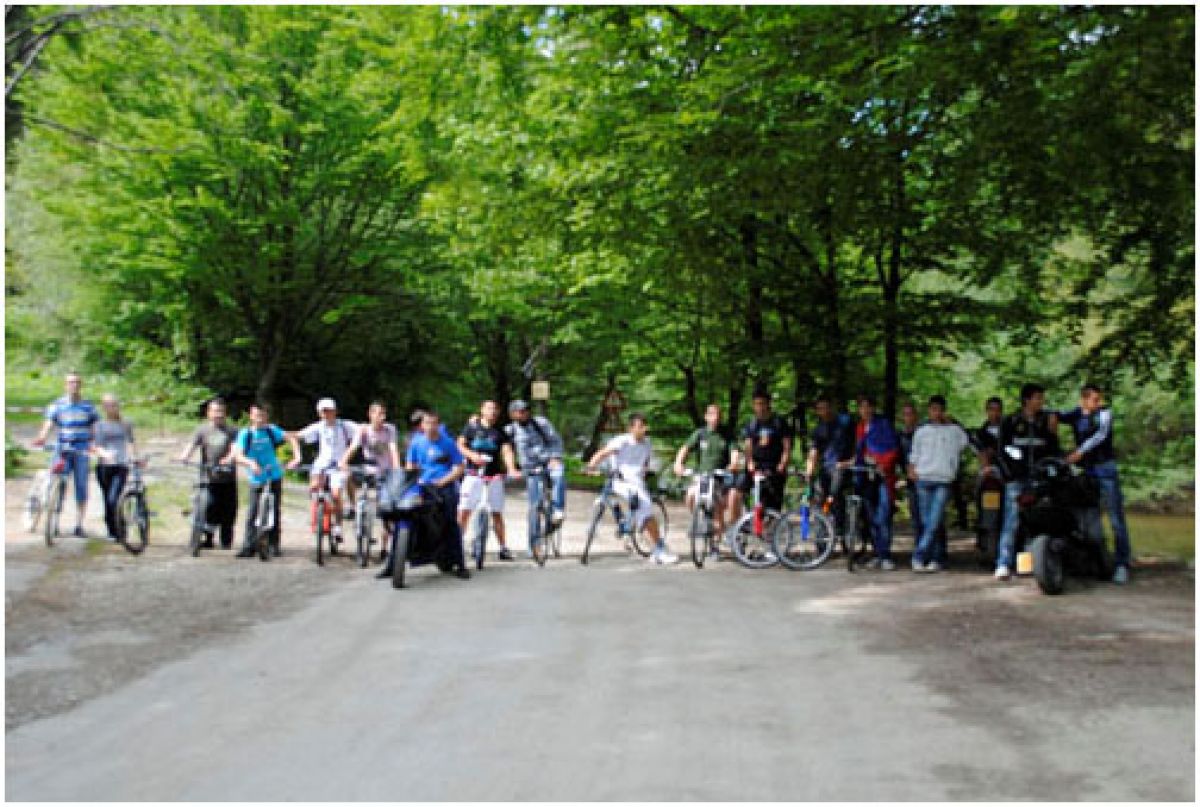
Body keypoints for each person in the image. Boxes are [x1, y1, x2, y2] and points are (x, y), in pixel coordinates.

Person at [1056, 383, 1133, 584]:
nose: (1099, 403)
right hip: (1087, 471)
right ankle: (1093, 560)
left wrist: (1080, 451)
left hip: (1105, 469)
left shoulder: (1104, 414)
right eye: (1094, 400)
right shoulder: (1075, 414)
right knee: (1089, 516)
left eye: (1099, 399)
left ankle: (1122, 563)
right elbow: (1056, 416)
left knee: (1116, 518)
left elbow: (1100, 435)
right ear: (1084, 399)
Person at [587, 412, 677, 564]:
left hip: (637, 483)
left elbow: (646, 461)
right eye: (640, 427)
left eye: (644, 426)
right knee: (643, 507)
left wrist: (645, 471)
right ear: (631, 428)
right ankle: (658, 550)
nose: (644, 429)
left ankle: (656, 550)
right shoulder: (622, 441)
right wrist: (591, 466)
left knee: (644, 510)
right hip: (620, 481)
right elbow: (602, 453)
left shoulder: (647, 443)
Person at [993, 383, 1060, 581]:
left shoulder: (1045, 422)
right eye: (1038, 398)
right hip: (1016, 480)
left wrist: (1054, 434)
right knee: (1012, 520)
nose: (1041, 402)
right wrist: (1009, 476)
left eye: (1042, 398)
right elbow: (1001, 452)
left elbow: (1053, 450)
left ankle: (1029, 564)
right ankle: (1003, 563)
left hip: (1039, 479)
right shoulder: (1010, 422)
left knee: (1036, 520)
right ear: (1027, 400)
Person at [908, 395, 979, 572]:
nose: (936, 413)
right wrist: (912, 470)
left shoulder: (954, 431)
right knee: (928, 522)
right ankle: (936, 558)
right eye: (933, 409)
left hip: (943, 480)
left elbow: (968, 441)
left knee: (933, 521)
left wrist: (955, 422)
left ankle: (919, 555)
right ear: (929, 411)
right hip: (923, 479)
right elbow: (914, 453)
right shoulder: (921, 431)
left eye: (939, 410)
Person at [398, 410, 469, 579]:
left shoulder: (448, 443)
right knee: (405, 517)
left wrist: (443, 481)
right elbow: (410, 465)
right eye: (427, 423)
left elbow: (459, 468)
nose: (430, 427)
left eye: (433, 423)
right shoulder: (417, 443)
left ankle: (460, 564)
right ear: (422, 426)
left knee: (451, 522)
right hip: (422, 486)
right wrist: (413, 482)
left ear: (439, 425)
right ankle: (395, 562)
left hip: (444, 487)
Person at [32, 372, 99, 538]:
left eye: (76, 382)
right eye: (70, 382)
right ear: (65, 385)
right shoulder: (57, 405)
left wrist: (94, 444)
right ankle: (53, 521)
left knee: (81, 486)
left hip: (81, 451)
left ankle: (79, 524)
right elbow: (49, 424)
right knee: (57, 483)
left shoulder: (88, 406)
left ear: (81, 385)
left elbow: (94, 427)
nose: (73, 385)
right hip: (62, 449)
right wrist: (42, 438)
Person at [232, 402, 301, 559]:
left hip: (274, 474)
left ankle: (273, 545)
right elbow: (238, 455)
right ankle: (248, 546)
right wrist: (250, 463)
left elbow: (291, 437)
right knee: (253, 511)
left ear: (266, 416)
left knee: (274, 510)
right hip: (256, 476)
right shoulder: (246, 434)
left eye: (262, 416)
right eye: (256, 415)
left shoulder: (271, 431)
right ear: (251, 416)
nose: (260, 419)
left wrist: (296, 456)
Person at [673, 403, 739, 559]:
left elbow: (735, 452)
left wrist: (733, 464)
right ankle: (699, 517)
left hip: (719, 477)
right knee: (690, 496)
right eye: (711, 414)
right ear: (706, 416)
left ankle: (715, 546)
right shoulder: (700, 433)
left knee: (717, 511)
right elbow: (685, 449)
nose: (714, 417)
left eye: (717, 414)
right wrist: (678, 463)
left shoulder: (727, 434)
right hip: (701, 476)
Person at [289, 398, 357, 547]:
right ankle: (318, 514)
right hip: (322, 464)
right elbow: (295, 436)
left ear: (335, 411)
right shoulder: (318, 427)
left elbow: (362, 432)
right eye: (323, 411)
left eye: (329, 410)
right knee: (314, 487)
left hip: (339, 464)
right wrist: (297, 457)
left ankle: (338, 526)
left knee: (336, 493)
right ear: (319, 413)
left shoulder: (345, 426)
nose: (326, 414)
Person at [842, 394, 900, 570]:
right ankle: (877, 553)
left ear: (873, 408)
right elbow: (860, 453)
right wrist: (848, 463)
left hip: (882, 476)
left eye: (868, 406)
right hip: (865, 477)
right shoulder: (860, 427)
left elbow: (892, 449)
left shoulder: (884, 425)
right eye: (861, 407)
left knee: (883, 516)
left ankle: (885, 555)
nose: (865, 410)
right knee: (871, 517)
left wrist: (881, 463)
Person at [457, 400, 519, 561]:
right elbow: (460, 445)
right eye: (489, 408)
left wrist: (511, 468)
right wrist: (471, 455)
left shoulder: (500, 432)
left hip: (494, 476)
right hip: (473, 474)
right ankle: (456, 544)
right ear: (482, 410)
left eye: (495, 409)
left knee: (496, 513)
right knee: (464, 511)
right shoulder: (472, 427)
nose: (493, 412)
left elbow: (507, 451)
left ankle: (503, 548)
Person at [340, 400, 402, 560]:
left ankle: (384, 547)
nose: (380, 417)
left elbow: (393, 450)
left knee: (386, 509)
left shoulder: (390, 430)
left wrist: (396, 469)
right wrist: (344, 461)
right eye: (377, 413)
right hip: (368, 469)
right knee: (349, 478)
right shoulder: (363, 430)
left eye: (383, 414)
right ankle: (353, 507)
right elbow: (354, 447)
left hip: (385, 471)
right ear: (370, 414)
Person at [505, 399, 567, 554]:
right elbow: (496, 440)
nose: (524, 413)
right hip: (530, 469)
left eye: (525, 410)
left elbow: (555, 440)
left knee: (559, 474)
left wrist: (555, 457)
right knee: (534, 507)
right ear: (512, 414)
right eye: (520, 411)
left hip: (548, 461)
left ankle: (557, 510)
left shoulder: (541, 423)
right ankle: (534, 544)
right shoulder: (509, 430)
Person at [178, 398, 239, 549]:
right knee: (208, 507)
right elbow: (191, 445)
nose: (218, 414)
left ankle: (226, 541)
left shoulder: (232, 431)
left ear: (225, 413)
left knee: (228, 511)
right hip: (208, 477)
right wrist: (185, 456)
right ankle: (208, 538)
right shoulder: (202, 430)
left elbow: (236, 448)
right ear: (209, 413)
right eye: (215, 411)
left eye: (221, 411)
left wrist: (229, 458)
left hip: (228, 477)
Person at [92, 394, 140, 542]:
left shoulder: (126, 424)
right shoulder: (99, 425)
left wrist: (133, 456)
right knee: (107, 499)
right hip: (104, 466)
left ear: (118, 406)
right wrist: (104, 454)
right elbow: (96, 445)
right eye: (107, 405)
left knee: (114, 498)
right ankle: (111, 530)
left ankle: (120, 528)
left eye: (113, 404)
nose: (110, 408)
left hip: (121, 466)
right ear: (103, 407)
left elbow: (130, 442)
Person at [805, 395, 855, 534]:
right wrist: (809, 472)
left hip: (844, 466)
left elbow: (859, 441)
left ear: (831, 407)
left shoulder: (845, 421)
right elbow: (813, 452)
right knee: (818, 495)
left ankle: (839, 523)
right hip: (826, 468)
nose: (824, 411)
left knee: (834, 493)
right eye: (820, 409)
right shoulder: (818, 429)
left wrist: (852, 460)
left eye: (826, 407)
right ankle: (823, 530)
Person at [740, 389, 793, 514]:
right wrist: (750, 462)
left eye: (762, 403)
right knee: (740, 491)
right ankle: (746, 522)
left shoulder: (779, 422)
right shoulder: (752, 424)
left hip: (774, 467)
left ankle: (772, 528)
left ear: (769, 404)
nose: (760, 407)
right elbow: (748, 447)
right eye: (757, 404)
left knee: (772, 502)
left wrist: (783, 464)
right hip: (756, 466)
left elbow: (787, 447)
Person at [897, 401, 924, 543]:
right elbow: (899, 457)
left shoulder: (924, 433)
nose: (908, 417)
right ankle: (920, 547)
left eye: (911, 414)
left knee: (928, 517)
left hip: (925, 477)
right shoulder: (900, 435)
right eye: (905, 414)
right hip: (910, 480)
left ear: (916, 416)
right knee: (916, 516)